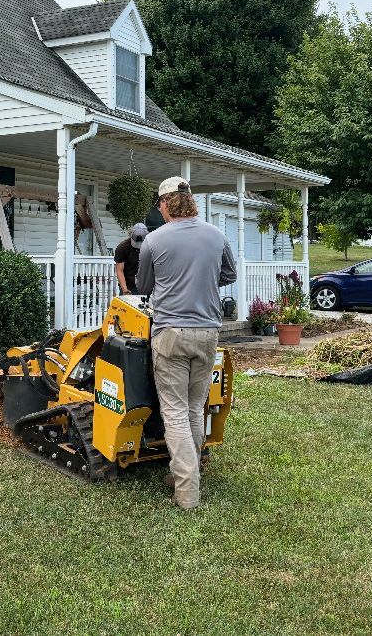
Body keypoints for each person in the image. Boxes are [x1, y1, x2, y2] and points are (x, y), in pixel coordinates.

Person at [136, 177, 237, 510]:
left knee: (176, 413)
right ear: (190, 201)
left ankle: (188, 492)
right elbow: (229, 275)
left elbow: (144, 284)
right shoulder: (217, 236)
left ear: (166, 204)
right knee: (195, 408)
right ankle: (190, 471)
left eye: (159, 205)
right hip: (208, 334)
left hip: (170, 334)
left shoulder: (154, 240)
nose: (159, 210)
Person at [113, 224, 149, 294]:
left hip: (146, 286)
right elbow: (119, 270)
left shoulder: (151, 246)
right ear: (131, 235)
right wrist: (125, 290)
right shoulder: (122, 247)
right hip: (129, 286)